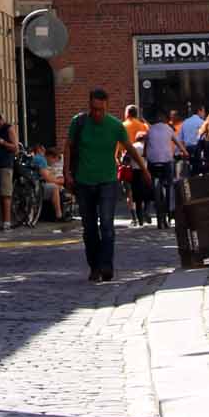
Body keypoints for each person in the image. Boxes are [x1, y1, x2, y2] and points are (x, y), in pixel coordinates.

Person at [65, 87, 131, 283]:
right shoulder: (79, 122)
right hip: (84, 182)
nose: (97, 113)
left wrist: (143, 170)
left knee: (107, 225)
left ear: (107, 106)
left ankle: (107, 265)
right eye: (94, 109)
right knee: (90, 228)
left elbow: (128, 147)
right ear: (89, 106)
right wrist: (67, 172)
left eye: (101, 109)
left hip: (108, 181)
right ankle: (94, 266)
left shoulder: (115, 125)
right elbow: (68, 146)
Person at [142, 109, 179, 228]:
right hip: (166, 161)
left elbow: (146, 144)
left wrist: (144, 154)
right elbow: (178, 143)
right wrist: (185, 152)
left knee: (151, 183)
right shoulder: (169, 129)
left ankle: (151, 201)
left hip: (152, 162)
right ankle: (169, 211)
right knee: (170, 185)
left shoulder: (150, 129)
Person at [28, 143, 65, 222]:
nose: (54, 163)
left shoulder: (36, 158)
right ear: (51, 157)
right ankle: (59, 215)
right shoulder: (41, 160)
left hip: (33, 185)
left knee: (55, 186)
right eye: (55, 160)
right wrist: (59, 182)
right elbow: (47, 178)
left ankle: (50, 215)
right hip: (36, 187)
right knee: (55, 188)